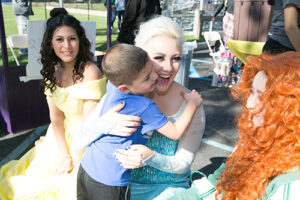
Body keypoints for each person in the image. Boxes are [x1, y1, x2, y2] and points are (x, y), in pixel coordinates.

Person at [83, 16, 205, 200]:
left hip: (167, 189)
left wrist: (150, 157)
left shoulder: (190, 103)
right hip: (120, 186)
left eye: (176, 58)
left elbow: (183, 164)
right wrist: (106, 125)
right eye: (159, 57)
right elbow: (83, 136)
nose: (168, 68)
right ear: (140, 56)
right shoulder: (123, 92)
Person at [0, 8, 107, 200]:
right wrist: (64, 155)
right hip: (59, 138)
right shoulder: (51, 71)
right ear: (51, 43)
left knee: (68, 189)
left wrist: (73, 160)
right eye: (59, 39)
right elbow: (56, 119)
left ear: (80, 40)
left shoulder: (90, 71)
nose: (67, 45)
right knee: (27, 183)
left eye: (72, 38)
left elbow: (89, 126)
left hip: (88, 140)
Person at [169, 51, 300, 200]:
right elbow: (213, 186)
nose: (249, 103)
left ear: (292, 109)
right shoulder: (253, 143)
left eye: (262, 97)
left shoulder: (292, 184)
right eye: (252, 92)